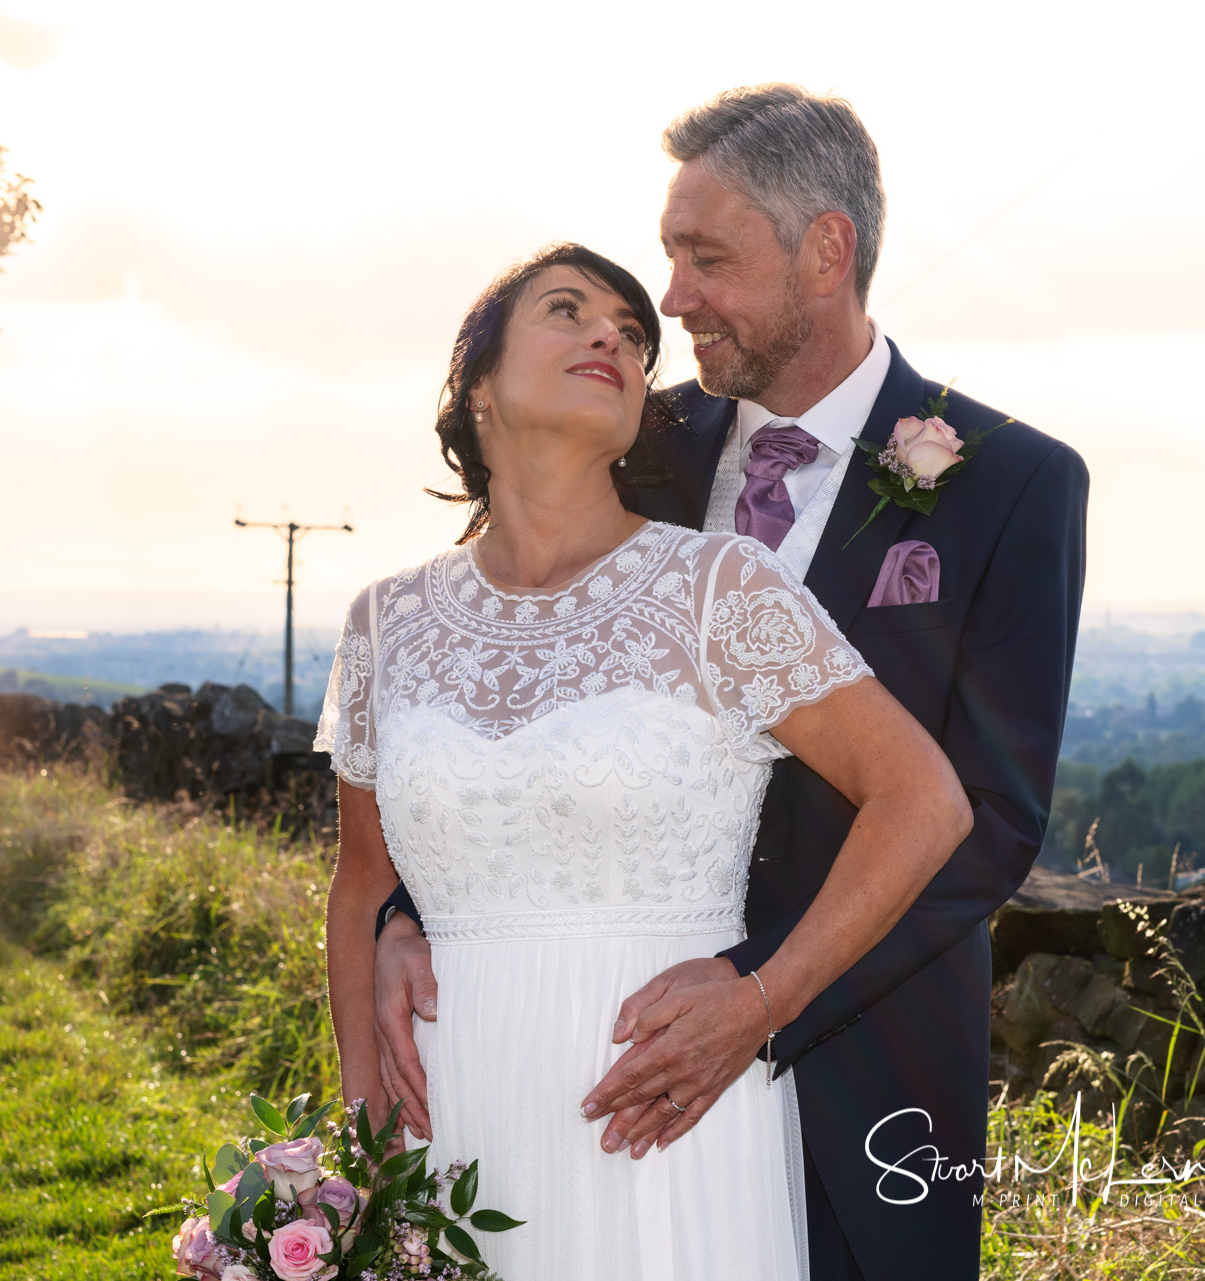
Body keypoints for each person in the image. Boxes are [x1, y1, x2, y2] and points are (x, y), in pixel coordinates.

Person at [367, 86, 1090, 1280]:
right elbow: (481, 682)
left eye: (706, 258)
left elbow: (991, 822)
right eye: (670, 256)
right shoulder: (630, 442)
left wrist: (758, 1001)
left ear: (826, 251)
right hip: (592, 1070)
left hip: (869, 1077)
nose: (673, 298)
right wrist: (408, 913)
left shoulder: (1012, 483)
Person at [317, 240, 975, 1280]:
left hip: (663, 1109)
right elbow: (362, 888)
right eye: (569, 312)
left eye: (632, 334)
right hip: (449, 1110)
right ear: (477, 382)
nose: (610, 338)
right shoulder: (385, 623)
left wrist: (763, 999)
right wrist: (358, 1146)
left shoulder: (721, 587)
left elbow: (923, 800)